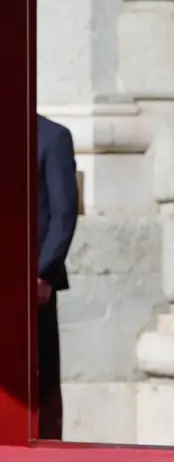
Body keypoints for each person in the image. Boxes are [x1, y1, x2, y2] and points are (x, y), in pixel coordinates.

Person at [36, 114, 79, 440]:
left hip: (34, 286)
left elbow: (63, 213)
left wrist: (42, 273)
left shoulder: (52, 136)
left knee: (42, 380)